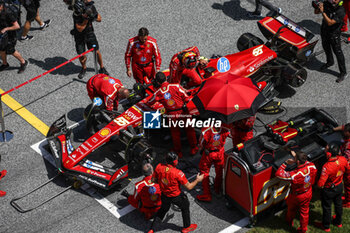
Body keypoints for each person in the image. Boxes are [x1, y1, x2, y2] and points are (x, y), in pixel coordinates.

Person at [148, 152, 204, 233]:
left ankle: (152, 229)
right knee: (185, 207)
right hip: (176, 196)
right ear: (174, 162)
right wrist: (197, 180)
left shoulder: (159, 167)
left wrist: (162, 182)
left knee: (162, 210)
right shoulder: (178, 173)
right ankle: (186, 227)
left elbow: (153, 180)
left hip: (164, 195)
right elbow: (189, 186)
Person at [147, 72, 198, 158]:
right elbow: (187, 98)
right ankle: (194, 148)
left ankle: (178, 152)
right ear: (166, 78)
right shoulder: (176, 86)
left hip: (171, 114)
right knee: (190, 130)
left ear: (158, 82)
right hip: (183, 111)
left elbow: (150, 102)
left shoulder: (158, 93)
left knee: (175, 134)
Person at [275, 151, 317, 233]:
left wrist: (285, 163)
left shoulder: (295, 174)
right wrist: (297, 156)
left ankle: (289, 222)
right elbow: (305, 161)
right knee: (305, 212)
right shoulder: (312, 166)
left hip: (296, 195)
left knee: (291, 208)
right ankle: (303, 230)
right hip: (308, 192)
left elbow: (278, 174)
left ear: (297, 161)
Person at [315, 143, 349, 231]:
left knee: (327, 207)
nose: (325, 151)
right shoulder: (343, 159)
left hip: (329, 190)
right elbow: (348, 170)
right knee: (338, 204)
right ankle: (338, 222)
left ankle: (326, 226)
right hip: (339, 186)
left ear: (329, 154)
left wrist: (317, 188)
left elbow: (320, 184)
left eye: (326, 150)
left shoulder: (327, 166)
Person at [71, 0, 109, 79]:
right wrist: (86, 19)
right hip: (79, 36)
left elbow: (99, 19)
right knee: (81, 54)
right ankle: (84, 68)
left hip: (89, 33)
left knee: (96, 51)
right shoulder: (76, 14)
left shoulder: (90, 7)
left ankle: (102, 68)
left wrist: (92, 16)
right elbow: (80, 29)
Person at [315, 0, 347, 83]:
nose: (332, 0)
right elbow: (316, 12)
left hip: (334, 34)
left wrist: (322, 11)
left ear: (339, 1)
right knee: (326, 47)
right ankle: (330, 62)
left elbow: (330, 22)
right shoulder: (327, 3)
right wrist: (318, 7)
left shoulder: (341, 11)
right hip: (324, 30)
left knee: (338, 53)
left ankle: (343, 73)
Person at [196, 125, 230, 202]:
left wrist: (204, 148)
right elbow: (231, 135)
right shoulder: (226, 128)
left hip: (209, 154)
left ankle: (207, 194)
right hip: (219, 153)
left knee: (204, 172)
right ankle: (217, 190)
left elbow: (200, 143)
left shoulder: (206, 130)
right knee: (219, 172)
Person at [0, 0, 28, 73]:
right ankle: (5, 64)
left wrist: (6, 29)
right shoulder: (1, 11)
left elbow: (17, 26)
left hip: (11, 35)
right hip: (3, 34)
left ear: (1, 6)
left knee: (10, 50)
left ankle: (23, 62)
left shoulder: (8, 13)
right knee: (1, 49)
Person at [333, 123, 350, 207]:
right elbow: (343, 127)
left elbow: (346, 159)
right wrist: (334, 129)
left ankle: (348, 202)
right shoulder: (347, 136)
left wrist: (336, 157)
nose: (344, 132)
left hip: (348, 167)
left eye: (346, 131)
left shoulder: (349, 146)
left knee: (348, 184)